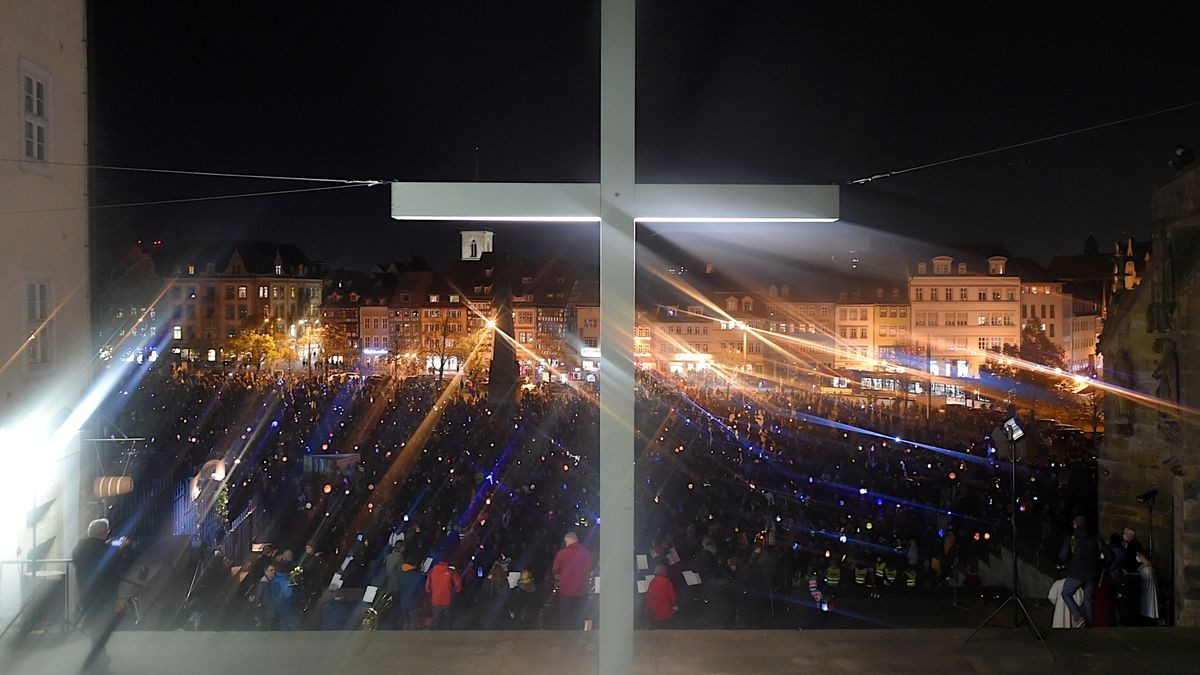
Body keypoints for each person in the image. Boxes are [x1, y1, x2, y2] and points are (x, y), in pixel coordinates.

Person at [72, 518, 131, 674]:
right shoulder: (105, 550)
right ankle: (98, 662)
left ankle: (100, 659)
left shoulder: (79, 548)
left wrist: (108, 546)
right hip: (104, 596)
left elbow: (94, 556)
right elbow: (115, 565)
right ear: (104, 533)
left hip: (87, 594)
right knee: (101, 629)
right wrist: (122, 548)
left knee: (94, 628)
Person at [1059, 515, 1100, 628]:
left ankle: (1078, 616)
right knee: (1088, 599)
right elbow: (1109, 556)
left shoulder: (1072, 539)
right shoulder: (1096, 538)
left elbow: (1062, 556)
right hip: (1092, 573)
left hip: (1076, 573)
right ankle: (1090, 625)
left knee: (1066, 593)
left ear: (1075, 525)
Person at [550, 531, 594, 629]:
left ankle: (566, 640)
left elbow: (555, 569)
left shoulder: (562, 553)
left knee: (566, 620)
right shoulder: (586, 553)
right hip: (582, 592)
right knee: (579, 618)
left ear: (567, 541)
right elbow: (591, 567)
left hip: (566, 592)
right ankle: (577, 639)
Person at [255, 563, 296, 630]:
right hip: (267, 614)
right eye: (271, 570)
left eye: (274, 570)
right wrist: (259, 616)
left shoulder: (273, 582)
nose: (273, 572)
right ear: (266, 572)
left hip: (275, 612)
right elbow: (258, 600)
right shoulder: (262, 584)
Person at [425, 559, 461, 629]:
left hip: (436, 601)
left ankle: (436, 635)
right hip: (447, 601)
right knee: (447, 620)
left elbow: (427, 589)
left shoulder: (431, 572)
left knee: (436, 620)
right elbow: (458, 587)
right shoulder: (451, 572)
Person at [1137, 551, 1160, 625]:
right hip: (1148, 590)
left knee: (1148, 607)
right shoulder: (1147, 568)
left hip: (1147, 591)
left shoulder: (1147, 569)